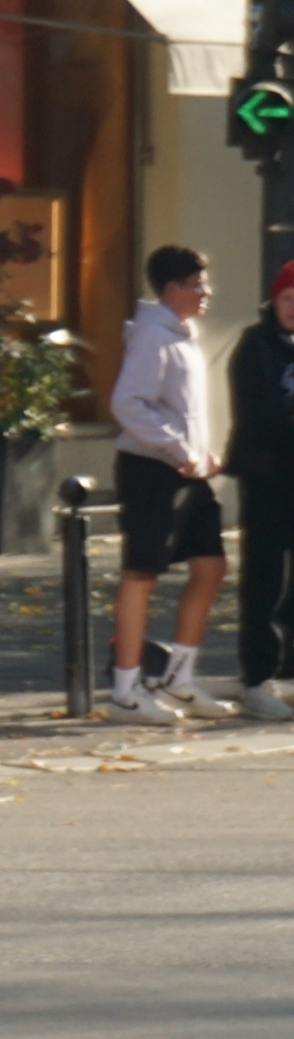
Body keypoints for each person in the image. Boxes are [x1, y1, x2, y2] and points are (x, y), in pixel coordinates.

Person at [108, 245, 234, 719]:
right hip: (150, 471)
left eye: (204, 282)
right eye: (196, 284)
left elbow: (179, 409)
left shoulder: (184, 334)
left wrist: (201, 452)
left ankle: (178, 680)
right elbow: (128, 403)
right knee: (142, 573)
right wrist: (181, 450)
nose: (206, 292)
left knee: (211, 566)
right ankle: (125, 692)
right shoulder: (153, 336)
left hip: (186, 473)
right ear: (171, 289)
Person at [225, 259, 294, 720]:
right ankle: (257, 678)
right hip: (268, 476)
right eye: (287, 298)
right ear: (274, 300)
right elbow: (254, 412)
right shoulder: (255, 344)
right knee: (264, 579)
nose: (293, 308)